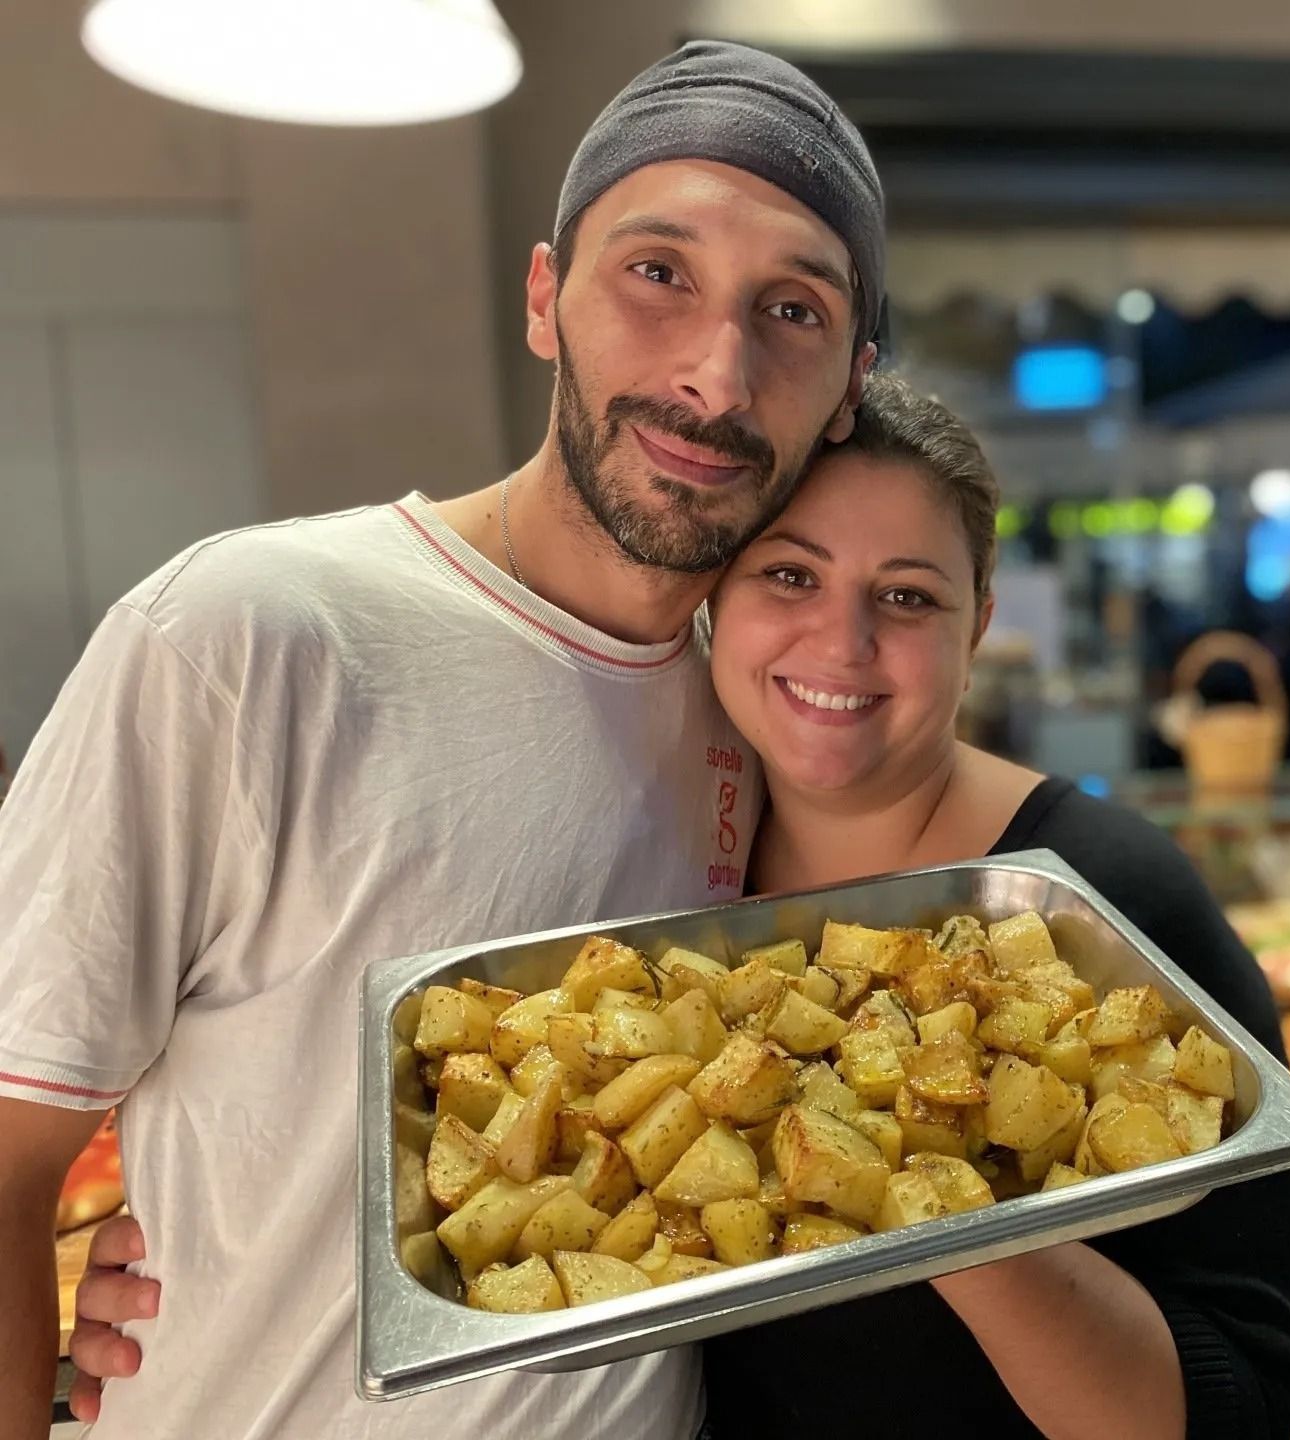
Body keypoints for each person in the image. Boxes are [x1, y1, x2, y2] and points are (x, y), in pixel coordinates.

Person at [69, 375, 1290, 1439]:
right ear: (719, 594)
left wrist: (931, 1203)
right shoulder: (666, 867)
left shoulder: (1110, 904)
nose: (842, 642)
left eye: (909, 596)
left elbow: (1239, 1406)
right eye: (790, 572)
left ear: (979, 623)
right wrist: (176, 1247)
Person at [0, 38, 883, 1440]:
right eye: (658, 274)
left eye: (790, 309)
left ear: (849, 386)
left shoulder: (764, 717)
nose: (714, 375)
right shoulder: (245, 634)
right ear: (545, 298)